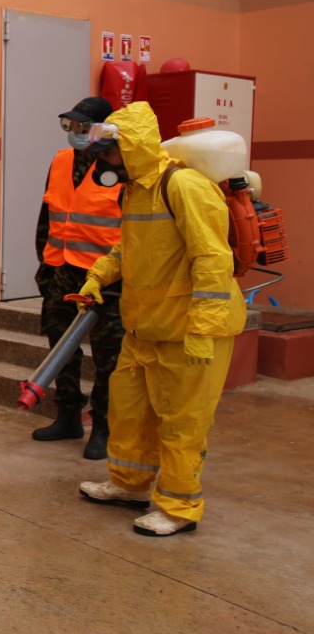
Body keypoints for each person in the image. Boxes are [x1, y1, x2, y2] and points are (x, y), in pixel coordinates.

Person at [76, 101, 246, 537]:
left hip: (188, 330)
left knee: (182, 423)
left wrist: (203, 329)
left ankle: (178, 507)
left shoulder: (183, 185)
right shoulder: (137, 189)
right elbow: (129, 249)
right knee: (130, 411)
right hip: (145, 327)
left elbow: (212, 259)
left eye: (109, 151)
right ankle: (129, 484)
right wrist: (98, 276)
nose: (103, 159)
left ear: (133, 146)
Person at [32, 96, 124, 459]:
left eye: (84, 126)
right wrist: (44, 264)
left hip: (105, 277)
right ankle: (67, 415)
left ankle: (102, 427)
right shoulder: (60, 160)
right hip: (61, 271)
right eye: (71, 125)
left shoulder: (118, 164)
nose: (75, 132)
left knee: (108, 356)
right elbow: (48, 214)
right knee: (60, 347)